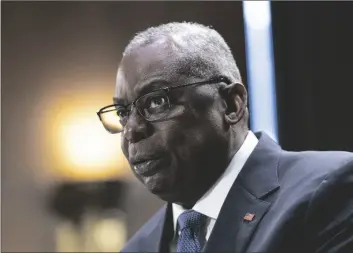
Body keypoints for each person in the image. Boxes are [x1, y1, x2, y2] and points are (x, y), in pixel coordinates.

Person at [97, 22, 353, 253]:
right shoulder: (137, 248)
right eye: (122, 113)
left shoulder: (330, 189)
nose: (131, 131)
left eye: (156, 101)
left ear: (231, 104)